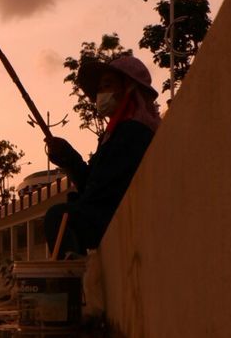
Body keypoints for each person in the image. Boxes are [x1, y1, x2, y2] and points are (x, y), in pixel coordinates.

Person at [44, 54, 160, 257]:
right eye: (99, 88)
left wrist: (70, 161)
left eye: (108, 84)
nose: (101, 93)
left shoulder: (135, 132)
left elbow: (100, 192)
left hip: (121, 216)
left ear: (128, 87)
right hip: (109, 215)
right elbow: (94, 183)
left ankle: (71, 278)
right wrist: (68, 157)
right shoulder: (113, 134)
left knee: (58, 216)